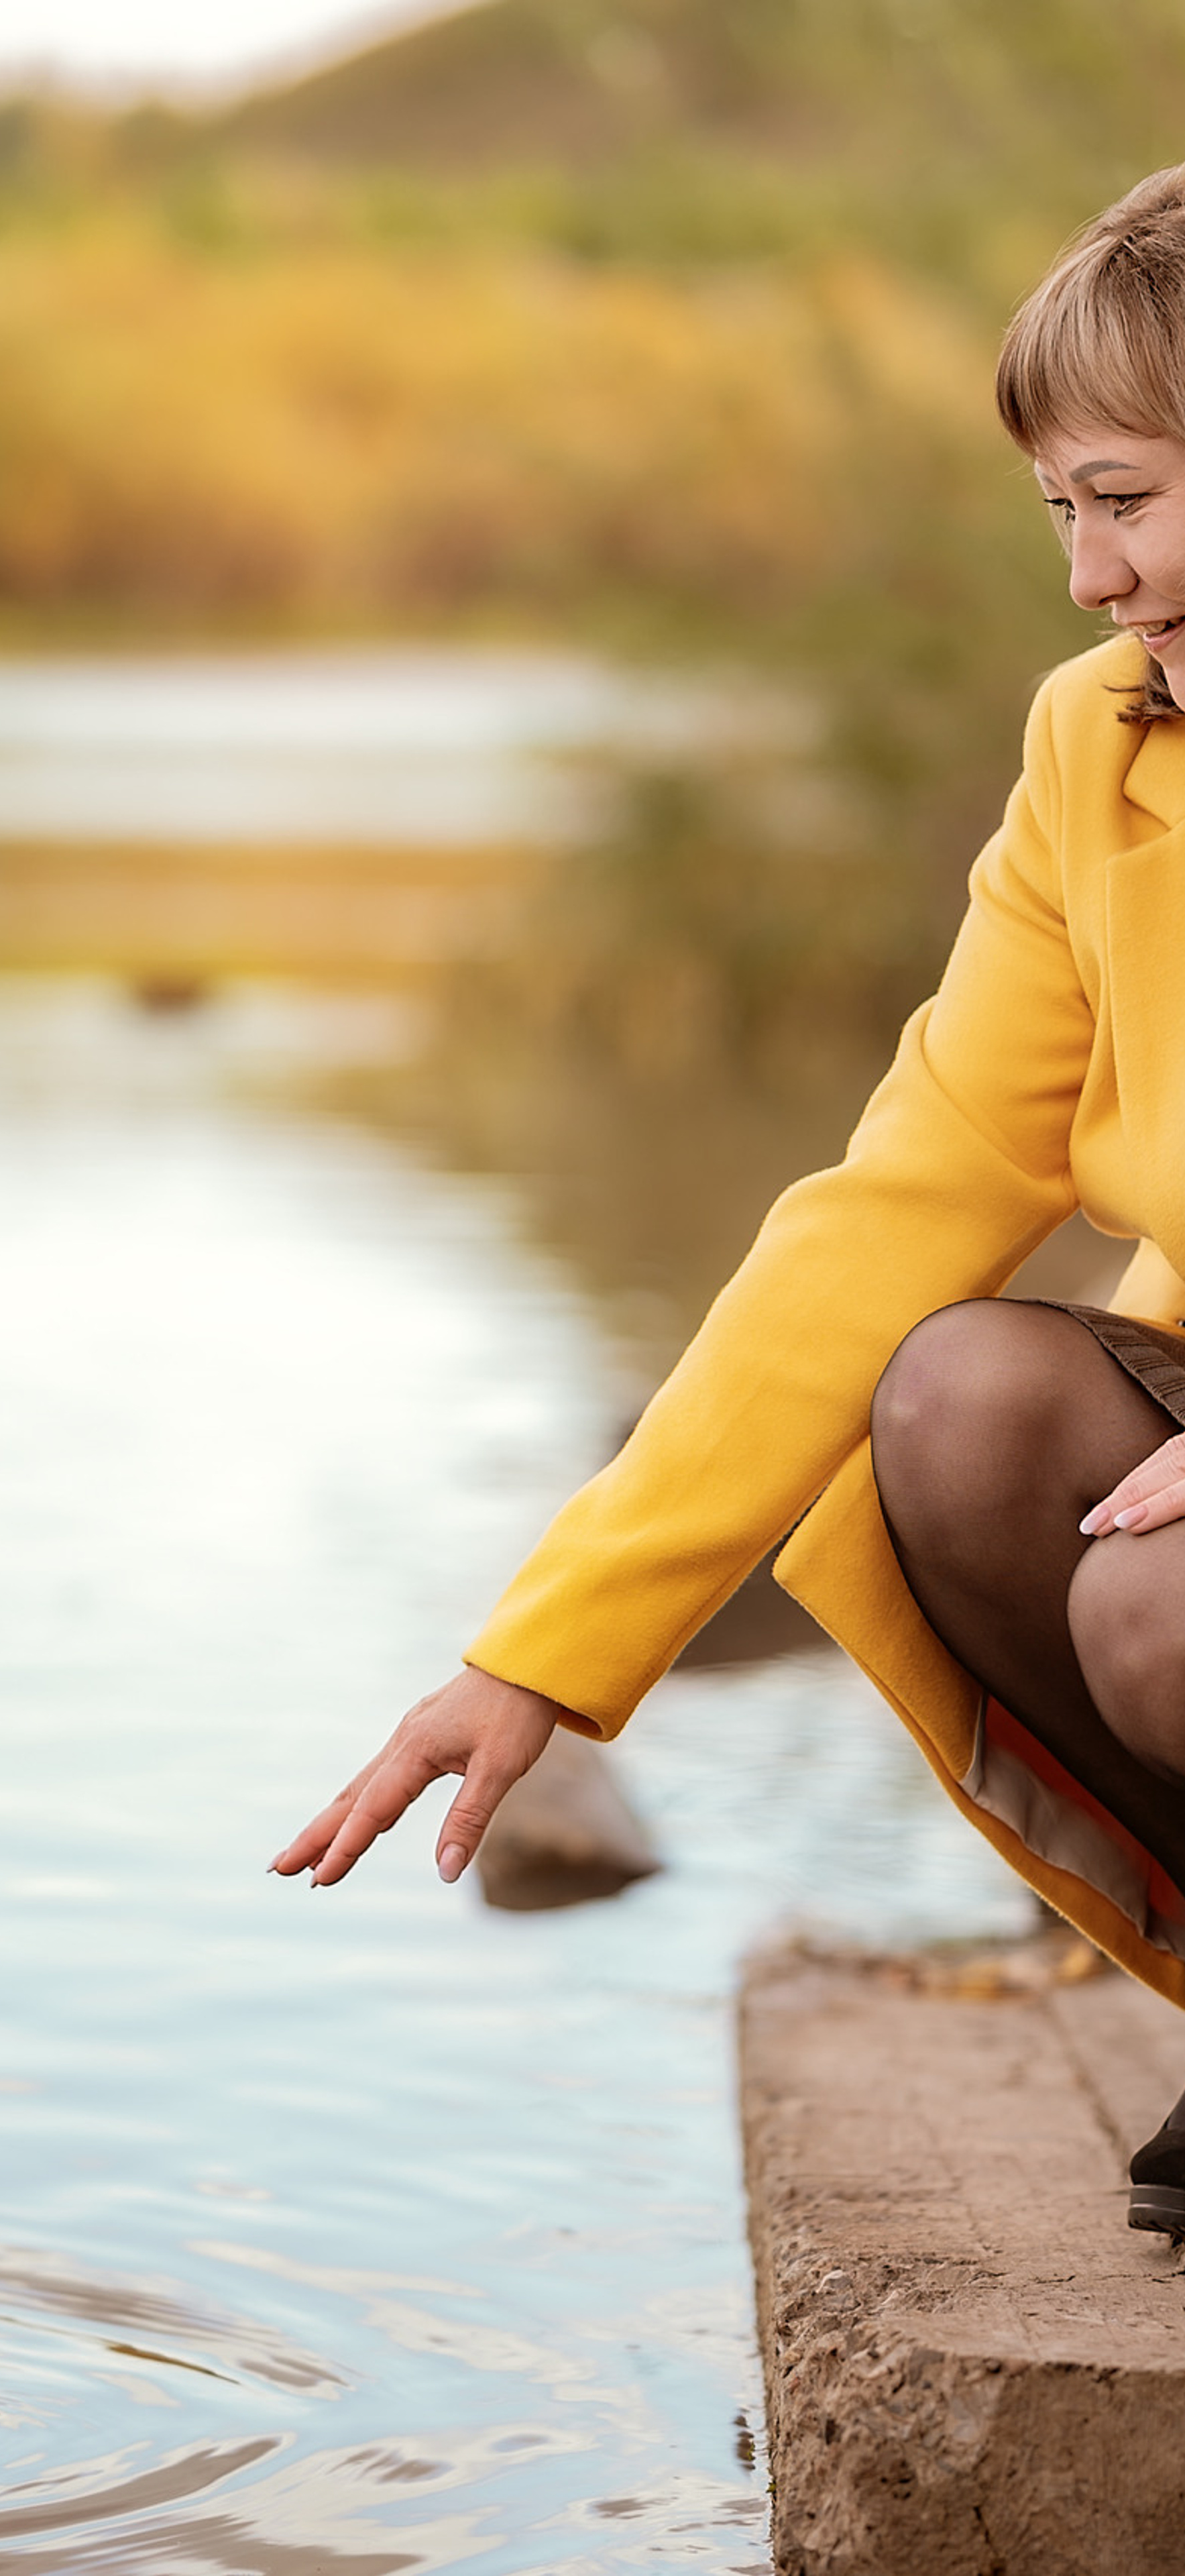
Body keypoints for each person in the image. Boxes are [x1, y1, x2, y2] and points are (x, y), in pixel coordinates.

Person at [271, 161, 1185, 2239]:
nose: (1088, 578)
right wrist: (545, 1657)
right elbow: (901, 1196)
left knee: (1160, 1601)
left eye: (1124, 500)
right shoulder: (1103, 748)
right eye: (1060, 513)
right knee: (950, 1402)